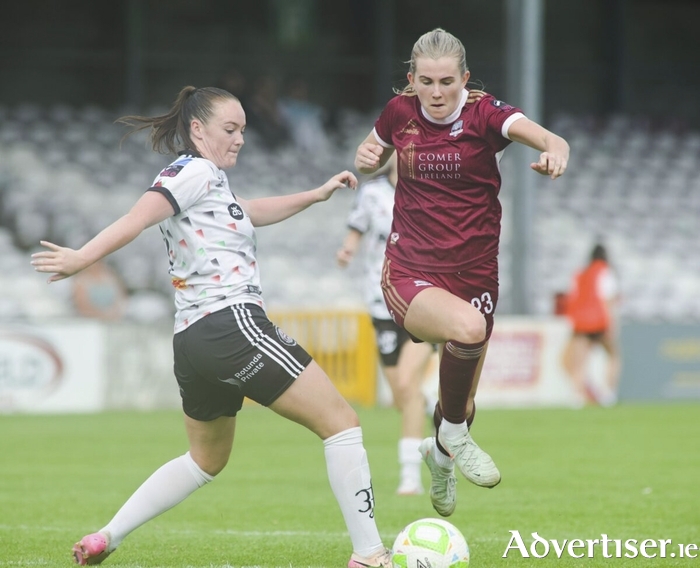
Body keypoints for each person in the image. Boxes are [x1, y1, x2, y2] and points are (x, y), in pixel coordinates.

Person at [31, 86, 392, 568]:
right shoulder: (193, 171)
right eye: (230, 129)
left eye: (243, 129)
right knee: (342, 424)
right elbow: (139, 216)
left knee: (205, 460)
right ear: (197, 130)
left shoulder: (210, 183)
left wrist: (317, 193)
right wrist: (82, 256)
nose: (240, 138)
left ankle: (106, 536)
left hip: (193, 340)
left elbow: (251, 212)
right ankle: (370, 556)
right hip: (231, 323)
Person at [354, 28, 570, 517]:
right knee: (468, 331)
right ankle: (453, 438)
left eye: (446, 81)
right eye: (425, 82)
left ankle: (442, 457)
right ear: (410, 81)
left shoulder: (487, 115)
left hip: (475, 274)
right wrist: (366, 159)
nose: (435, 93)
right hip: (410, 268)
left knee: (463, 400)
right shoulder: (399, 114)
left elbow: (548, 137)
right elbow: (370, 156)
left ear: (465, 79)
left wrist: (556, 151)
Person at [336, 153, 436, 496]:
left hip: (423, 301)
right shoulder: (372, 192)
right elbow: (357, 230)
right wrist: (347, 251)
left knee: (408, 384)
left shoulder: (433, 189)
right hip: (381, 300)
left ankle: (411, 476)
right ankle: (427, 404)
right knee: (401, 396)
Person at [561, 243, 621, 406]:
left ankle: (577, 396)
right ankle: (608, 393)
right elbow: (607, 300)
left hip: (581, 323)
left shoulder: (580, 274)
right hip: (599, 321)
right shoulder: (605, 272)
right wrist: (611, 324)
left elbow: (572, 298)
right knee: (613, 356)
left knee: (580, 361)